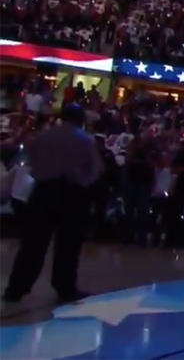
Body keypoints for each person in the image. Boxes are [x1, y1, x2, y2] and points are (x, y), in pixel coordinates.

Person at [2, 104, 103, 310]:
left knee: (33, 244)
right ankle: (65, 287)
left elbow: (32, 162)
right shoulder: (86, 140)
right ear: (80, 118)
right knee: (68, 245)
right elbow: (95, 170)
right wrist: (81, 181)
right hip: (72, 194)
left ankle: (16, 288)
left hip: (44, 191)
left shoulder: (44, 137)